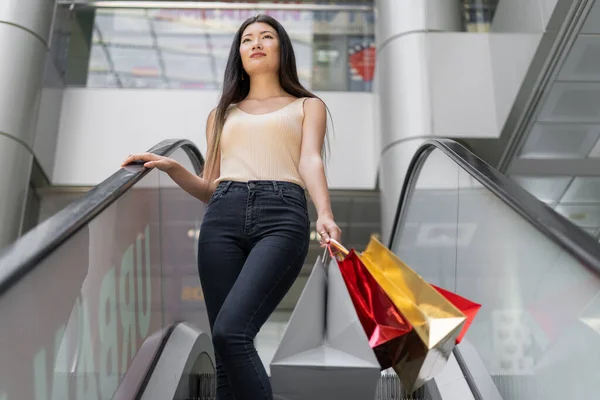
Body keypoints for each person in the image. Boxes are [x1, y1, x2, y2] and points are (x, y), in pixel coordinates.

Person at [121, 14, 341, 400]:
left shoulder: (308, 106)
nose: (256, 43)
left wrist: (325, 213)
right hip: (222, 216)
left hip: (282, 214)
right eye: (247, 39)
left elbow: (310, 161)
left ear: (281, 48)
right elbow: (209, 187)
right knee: (224, 354)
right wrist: (173, 168)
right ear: (238, 54)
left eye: (266, 37)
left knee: (232, 332)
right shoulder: (222, 114)